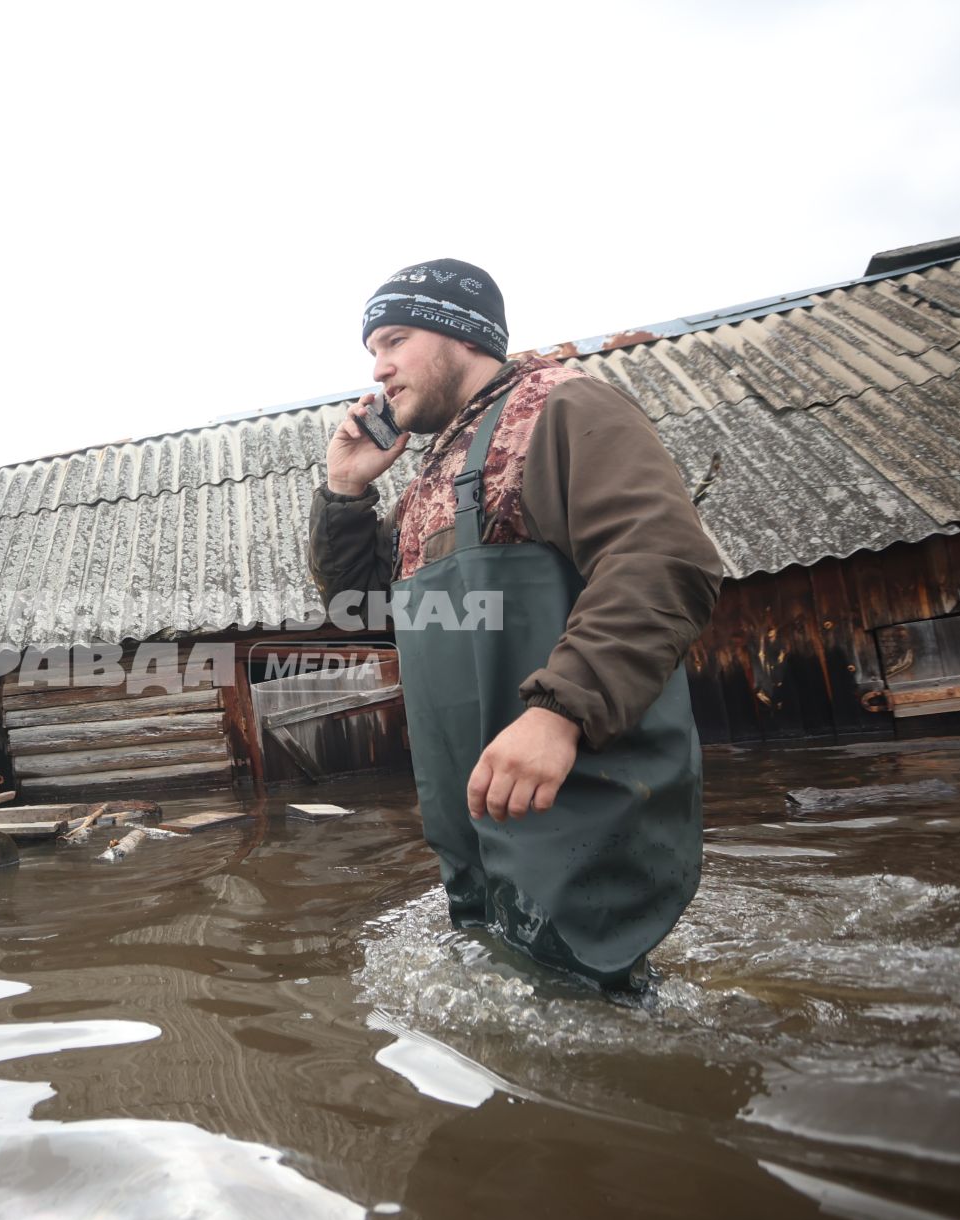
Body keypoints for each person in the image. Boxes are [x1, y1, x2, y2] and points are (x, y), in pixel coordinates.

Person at [309, 259, 723, 989]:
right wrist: (345, 490)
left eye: (395, 340)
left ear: (459, 335)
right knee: (513, 997)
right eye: (371, 351)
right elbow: (365, 609)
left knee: (595, 1013)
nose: (379, 369)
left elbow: (661, 560)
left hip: (567, 785)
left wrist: (559, 713)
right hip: (473, 809)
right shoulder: (432, 474)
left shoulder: (565, 408)